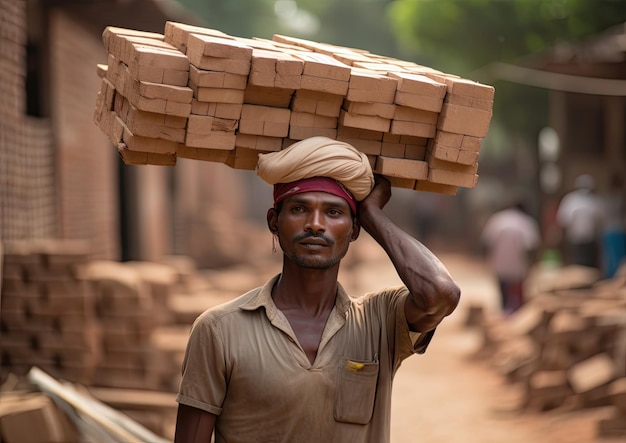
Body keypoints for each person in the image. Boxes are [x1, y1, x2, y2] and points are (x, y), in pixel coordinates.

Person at [174, 137, 461, 443]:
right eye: (299, 209)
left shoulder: (379, 321)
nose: (315, 224)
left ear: (354, 229)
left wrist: (372, 214)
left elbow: (440, 294)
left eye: (334, 213)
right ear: (274, 222)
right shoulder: (219, 330)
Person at [480, 198, 541, 314]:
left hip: (498, 262)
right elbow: (531, 247)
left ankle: (503, 311)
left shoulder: (497, 219)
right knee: (516, 294)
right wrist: (532, 263)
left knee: (503, 291)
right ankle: (515, 316)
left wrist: (486, 258)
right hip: (518, 264)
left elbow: (486, 242)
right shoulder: (527, 222)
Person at [555, 174, 603, 268]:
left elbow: (599, 222)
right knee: (577, 266)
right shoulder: (571, 200)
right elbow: (563, 221)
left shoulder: (594, 201)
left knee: (587, 267)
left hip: (589, 241)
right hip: (575, 240)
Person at [600, 173, 626, 278]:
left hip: (610, 230)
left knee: (612, 257)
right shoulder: (619, 198)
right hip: (617, 230)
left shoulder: (606, 198)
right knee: (616, 258)